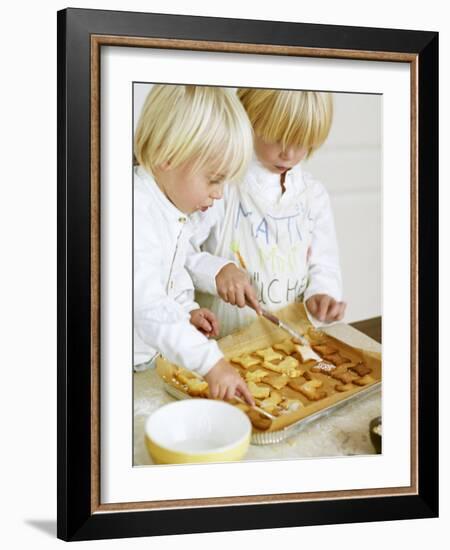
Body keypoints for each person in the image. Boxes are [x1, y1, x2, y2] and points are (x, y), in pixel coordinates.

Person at [186, 87, 346, 337]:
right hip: (223, 344)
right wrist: (216, 271)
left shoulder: (313, 196)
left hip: (291, 344)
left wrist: (323, 294)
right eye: (277, 137)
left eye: (301, 141)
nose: (289, 153)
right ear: (248, 119)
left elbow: (324, 266)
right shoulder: (221, 187)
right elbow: (178, 253)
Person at [133, 84, 255, 404]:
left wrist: (185, 311)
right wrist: (211, 363)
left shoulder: (169, 203)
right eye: (214, 179)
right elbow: (146, 306)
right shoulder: (134, 210)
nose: (219, 193)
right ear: (168, 156)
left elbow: (175, 262)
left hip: (155, 359)